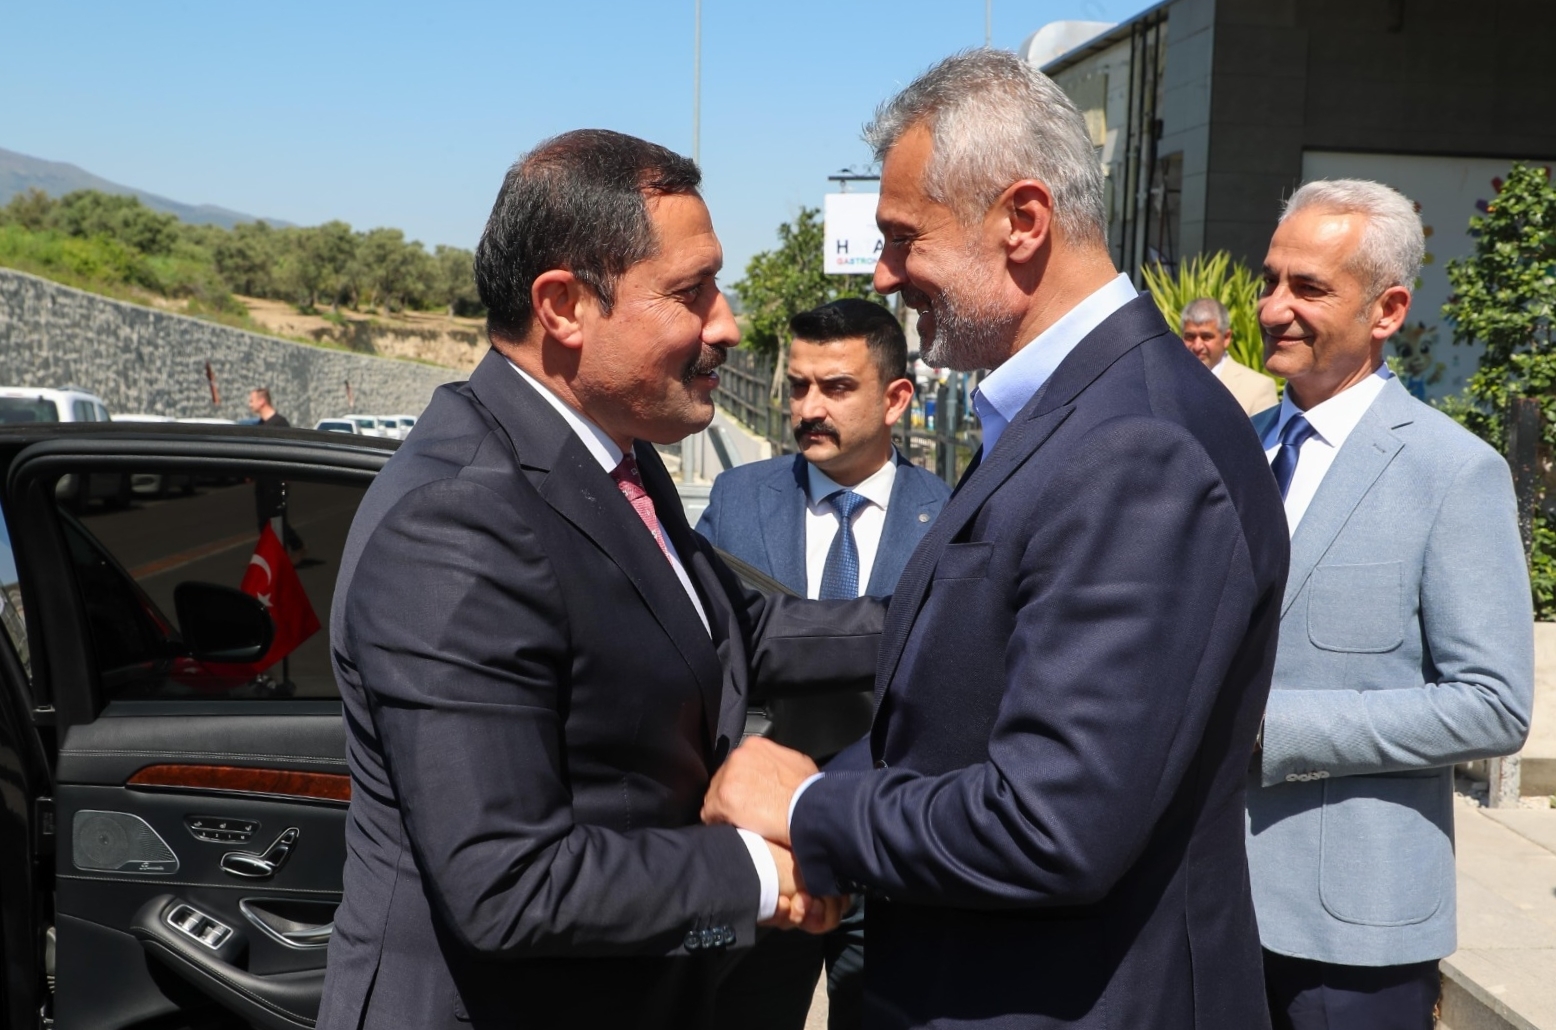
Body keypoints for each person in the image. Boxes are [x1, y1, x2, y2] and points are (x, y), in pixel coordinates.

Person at [701, 49, 1289, 1029]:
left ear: (1022, 220)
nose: (884, 274)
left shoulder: (1136, 445)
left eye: (904, 238)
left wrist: (807, 809)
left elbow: (1052, 821)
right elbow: (948, 710)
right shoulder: (1069, 414)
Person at [316, 130, 878, 1030]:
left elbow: (729, 629)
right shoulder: (456, 522)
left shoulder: (616, 456)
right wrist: (760, 874)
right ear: (564, 306)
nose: (727, 324)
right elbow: (509, 884)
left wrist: (957, 615)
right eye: (692, 293)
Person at [1246, 179, 1533, 1030]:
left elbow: (1493, 705)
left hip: (1354, 932)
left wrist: (1271, 729)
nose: (1273, 308)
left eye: (1308, 287)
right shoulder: (1238, 448)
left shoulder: (1453, 471)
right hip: (1212, 903)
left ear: (1388, 310)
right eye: (1270, 280)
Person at [697, 298, 950, 1030]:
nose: (809, 408)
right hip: (767, 856)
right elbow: (711, 647)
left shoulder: (951, 516)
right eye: (799, 386)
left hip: (891, 853)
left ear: (896, 398)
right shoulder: (739, 499)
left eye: (836, 387)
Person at [1180, 297, 1278, 415]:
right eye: (1190, 337)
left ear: (1226, 338)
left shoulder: (1258, 388)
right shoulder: (1168, 380)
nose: (1197, 346)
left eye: (1206, 337)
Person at [249, 387, 306, 560]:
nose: (250, 404)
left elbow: (289, 454)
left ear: (262, 401)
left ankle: (288, 554)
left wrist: (287, 479)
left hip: (276, 482)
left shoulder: (280, 424)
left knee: (277, 521)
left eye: (252, 400)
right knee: (263, 523)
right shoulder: (260, 425)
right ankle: (273, 558)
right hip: (262, 482)